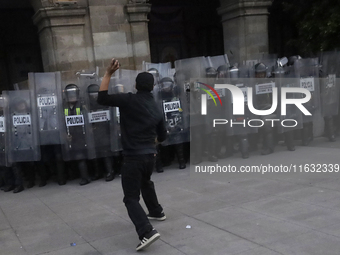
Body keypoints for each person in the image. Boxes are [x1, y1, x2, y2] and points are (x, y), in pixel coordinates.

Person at [97, 58, 167, 251]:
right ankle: (156, 211)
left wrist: (108, 74)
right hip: (150, 156)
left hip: (133, 157)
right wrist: (151, 143)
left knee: (130, 198)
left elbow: (101, 98)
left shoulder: (128, 100)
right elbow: (163, 136)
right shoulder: (155, 107)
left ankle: (146, 231)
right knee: (145, 182)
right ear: (152, 87)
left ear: (136, 85)